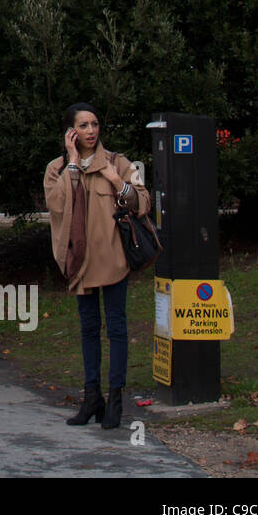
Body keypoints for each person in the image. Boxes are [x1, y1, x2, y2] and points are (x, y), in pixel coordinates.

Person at [43, 102, 150, 429]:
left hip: (114, 259)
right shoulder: (57, 168)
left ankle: (115, 399)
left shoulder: (119, 163)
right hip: (80, 261)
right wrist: (73, 165)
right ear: (71, 132)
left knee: (116, 328)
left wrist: (118, 181)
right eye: (83, 126)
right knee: (88, 329)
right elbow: (56, 205)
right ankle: (92, 398)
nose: (91, 131)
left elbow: (144, 203)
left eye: (95, 124)